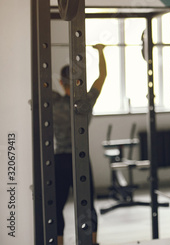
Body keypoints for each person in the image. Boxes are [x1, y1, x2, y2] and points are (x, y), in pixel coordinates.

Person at [52, 44, 107, 245]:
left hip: (59, 160)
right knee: (87, 206)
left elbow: (40, 83)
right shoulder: (85, 101)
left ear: (60, 82)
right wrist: (101, 51)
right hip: (80, 159)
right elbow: (102, 77)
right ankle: (91, 242)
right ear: (77, 82)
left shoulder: (54, 101)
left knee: (56, 206)